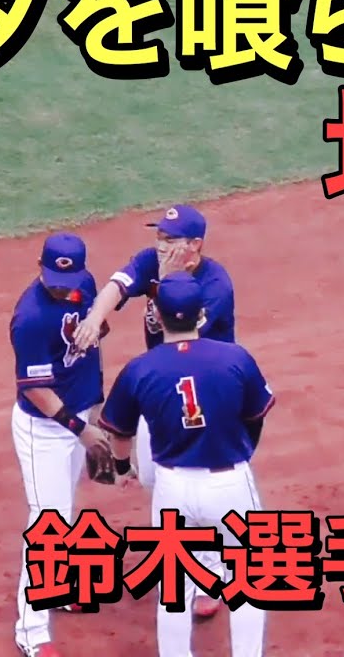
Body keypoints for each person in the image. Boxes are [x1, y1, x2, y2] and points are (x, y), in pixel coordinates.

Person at [96, 272, 275, 657]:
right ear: (201, 315)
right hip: (228, 482)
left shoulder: (140, 369)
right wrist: (243, 450)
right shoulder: (235, 358)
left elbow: (120, 434)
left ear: (158, 318)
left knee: (175, 588)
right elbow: (255, 416)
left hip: (172, 488)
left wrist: (123, 468)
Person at [72, 202, 236, 618]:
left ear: (194, 245)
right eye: (159, 237)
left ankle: (211, 566)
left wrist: (164, 282)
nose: (160, 245)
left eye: (170, 239)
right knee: (149, 474)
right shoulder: (152, 261)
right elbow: (116, 286)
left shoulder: (215, 285)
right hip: (165, 387)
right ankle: (189, 548)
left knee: (194, 476)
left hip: (207, 393)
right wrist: (93, 318)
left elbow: (177, 338)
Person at [8, 232, 110, 657]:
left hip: (78, 414)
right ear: (40, 268)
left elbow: (95, 338)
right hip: (45, 429)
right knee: (48, 521)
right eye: (54, 281)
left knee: (63, 511)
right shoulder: (30, 317)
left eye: (67, 282)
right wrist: (80, 429)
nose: (62, 289)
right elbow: (35, 390)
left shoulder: (84, 285)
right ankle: (31, 631)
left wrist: (97, 408)